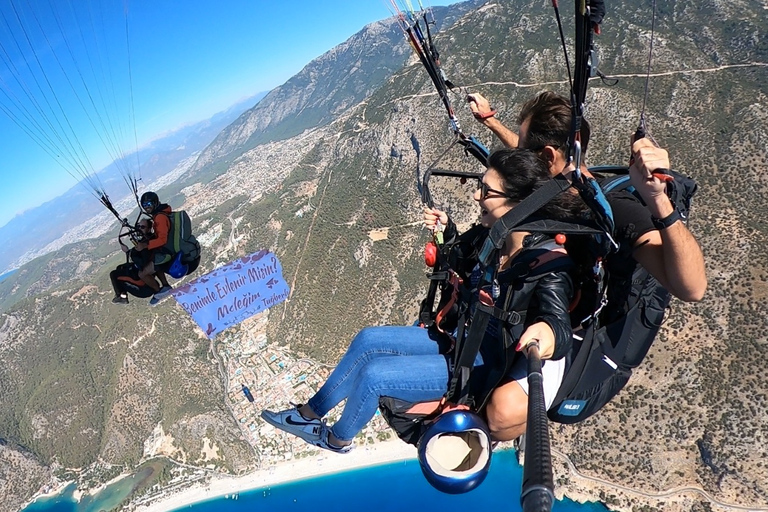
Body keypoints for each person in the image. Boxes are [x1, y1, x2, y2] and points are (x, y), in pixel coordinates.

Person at [262, 148, 590, 453]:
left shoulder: (547, 263)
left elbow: (557, 326)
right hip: (459, 339)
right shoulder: (492, 237)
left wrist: (547, 333)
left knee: (376, 376)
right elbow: (459, 259)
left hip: (477, 367)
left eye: (487, 191)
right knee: (368, 340)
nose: (477, 196)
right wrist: (447, 231)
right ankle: (307, 414)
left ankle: (337, 439)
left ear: (519, 204)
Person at [466, 91, 707, 440]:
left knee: (502, 413)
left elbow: (693, 289)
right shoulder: (557, 181)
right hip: (562, 303)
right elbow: (531, 162)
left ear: (548, 156)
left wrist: (659, 203)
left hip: (599, 345)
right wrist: (490, 123)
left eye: (522, 150)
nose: (517, 160)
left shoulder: (620, 211)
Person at [136, 191, 174, 305]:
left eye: (148, 204)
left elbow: (162, 239)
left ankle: (158, 292)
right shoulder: (160, 214)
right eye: (144, 206)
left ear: (155, 203)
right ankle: (165, 285)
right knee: (151, 258)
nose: (146, 208)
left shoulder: (160, 217)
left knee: (142, 273)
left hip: (167, 251)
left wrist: (146, 245)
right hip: (166, 249)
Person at [111, 219, 157, 304]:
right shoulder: (147, 239)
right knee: (120, 268)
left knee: (114, 274)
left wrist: (129, 252)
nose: (139, 228)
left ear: (149, 228)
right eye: (138, 226)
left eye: (142, 227)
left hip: (143, 288)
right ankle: (122, 294)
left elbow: (142, 262)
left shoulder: (146, 243)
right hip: (141, 272)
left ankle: (121, 296)